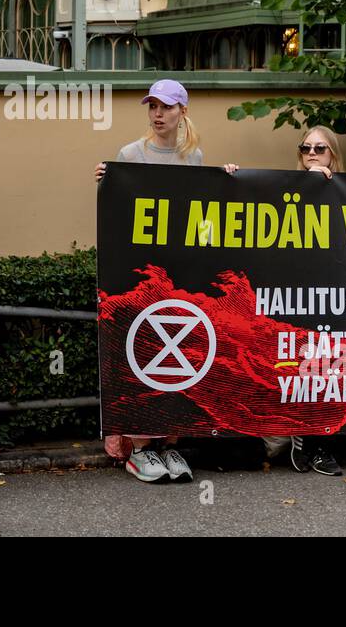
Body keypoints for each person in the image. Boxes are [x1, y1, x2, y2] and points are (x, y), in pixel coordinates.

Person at [95, 79, 237, 483]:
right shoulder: (130, 154)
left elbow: (205, 217)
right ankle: (139, 446)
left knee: (180, 356)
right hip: (140, 275)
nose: (158, 115)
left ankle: (169, 442)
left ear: (182, 112)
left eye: (166, 107)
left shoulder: (196, 158)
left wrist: (227, 179)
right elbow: (119, 214)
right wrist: (107, 181)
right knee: (144, 352)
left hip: (181, 276)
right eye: (153, 106)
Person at [263, 126, 345, 476]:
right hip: (293, 298)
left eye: (320, 148)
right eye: (305, 147)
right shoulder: (283, 191)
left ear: (333, 156)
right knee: (297, 368)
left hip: (336, 299)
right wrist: (231, 179)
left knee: (331, 369)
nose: (312, 152)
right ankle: (296, 438)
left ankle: (316, 443)